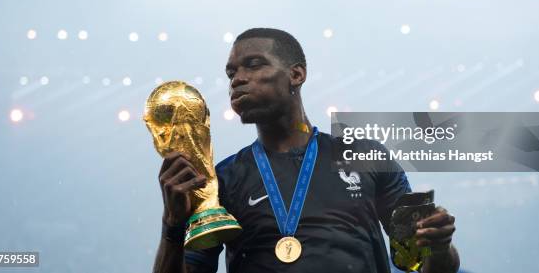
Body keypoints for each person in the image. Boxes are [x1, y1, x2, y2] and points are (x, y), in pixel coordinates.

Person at [153, 28, 459, 273]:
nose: (238, 79)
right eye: (231, 73)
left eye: (254, 64)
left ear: (296, 75)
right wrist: (173, 225)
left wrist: (439, 244)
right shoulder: (221, 179)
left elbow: (424, 264)